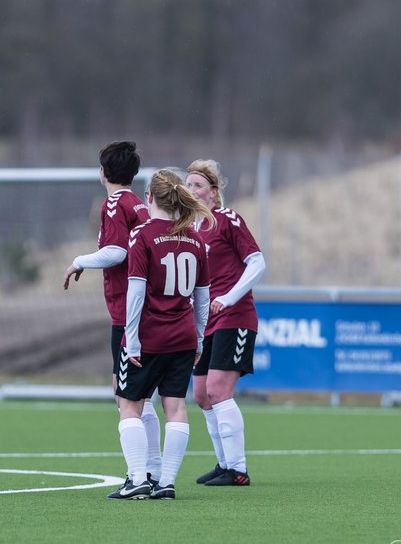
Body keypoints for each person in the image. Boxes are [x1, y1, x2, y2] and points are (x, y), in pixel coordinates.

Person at [109, 168, 213, 500]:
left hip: (150, 336)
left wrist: (132, 338)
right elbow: (203, 298)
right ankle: (166, 482)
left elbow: (136, 293)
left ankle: (138, 478)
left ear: (149, 198)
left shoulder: (141, 235)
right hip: (182, 337)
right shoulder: (195, 239)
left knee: (129, 405)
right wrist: (199, 337)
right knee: (176, 407)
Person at [62, 141, 162, 480]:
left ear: (103, 172)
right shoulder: (138, 203)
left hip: (128, 313)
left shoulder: (115, 204)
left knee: (126, 397)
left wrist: (79, 261)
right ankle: (152, 469)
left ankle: (142, 474)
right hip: (148, 309)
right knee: (141, 397)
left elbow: (117, 252)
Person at [185, 159, 264, 487]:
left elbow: (257, 262)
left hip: (235, 317)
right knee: (202, 395)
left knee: (218, 390)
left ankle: (239, 469)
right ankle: (224, 463)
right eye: (187, 186)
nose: (191, 191)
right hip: (207, 323)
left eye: (198, 186)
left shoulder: (227, 220)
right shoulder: (189, 230)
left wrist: (229, 297)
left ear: (214, 193)